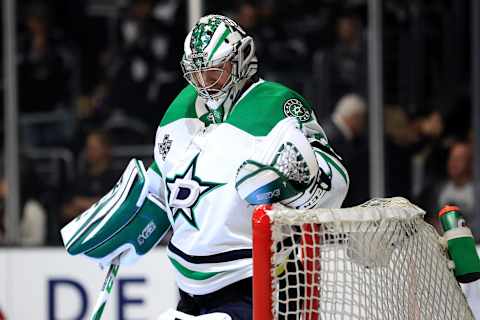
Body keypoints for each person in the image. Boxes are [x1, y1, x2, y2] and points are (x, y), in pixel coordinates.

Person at [63, 15, 349, 320]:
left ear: (241, 59)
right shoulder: (179, 111)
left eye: (213, 72)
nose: (204, 83)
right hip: (191, 289)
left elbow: (335, 179)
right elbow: (165, 190)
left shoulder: (279, 106)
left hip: (260, 282)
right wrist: (132, 227)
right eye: (196, 74)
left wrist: (285, 182)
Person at [60, 130, 119, 227]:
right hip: (79, 231)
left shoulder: (115, 178)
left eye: (94, 148)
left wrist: (82, 204)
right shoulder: (79, 179)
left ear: (106, 149)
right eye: (88, 148)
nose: (90, 152)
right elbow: (65, 210)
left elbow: (113, 208)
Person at [321, 94, 368, 207]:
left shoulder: (328, 130)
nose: (364, 124)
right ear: (354, 117)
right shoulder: (333, 137)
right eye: (363, 119)